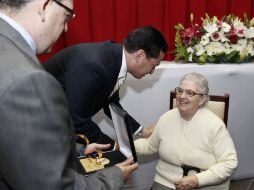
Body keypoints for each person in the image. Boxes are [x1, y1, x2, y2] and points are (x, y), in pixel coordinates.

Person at [0, 0, 138, 189]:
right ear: (45, 6)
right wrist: (115, 176)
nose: (65, 28)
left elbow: (17, 143)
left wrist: (77, 151)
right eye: (66, 16)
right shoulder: (29, 81)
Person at [43, 26, 168, 151]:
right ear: (140, 55)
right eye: (153, 66)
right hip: (41, 124)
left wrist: (142, 131)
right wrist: (114, 147)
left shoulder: (115, 58)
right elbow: (78, 122)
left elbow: (111, 105)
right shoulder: (95, 65)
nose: (151, 72)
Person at [134, 72, 238, 190]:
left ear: (202, 99)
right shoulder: (166, 117)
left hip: (204, 185)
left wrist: (197, 180)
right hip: (166, 182)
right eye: (180, 90)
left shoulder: (215, 125)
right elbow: (150, 145)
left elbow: (229, 163)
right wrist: (125, 146)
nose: (182, 96)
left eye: (190, 93)